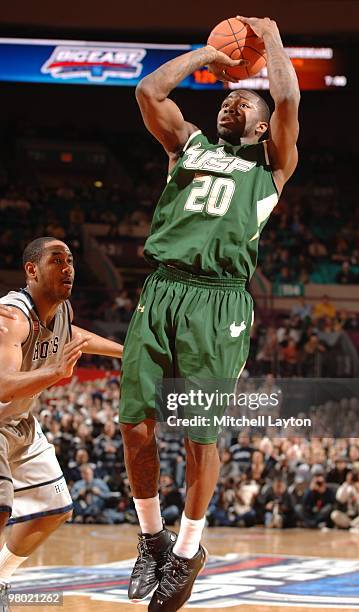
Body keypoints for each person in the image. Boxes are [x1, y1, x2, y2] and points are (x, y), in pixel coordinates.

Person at [119, 15, 300, 612]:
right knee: (135, 423)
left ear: (265, 124)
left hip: (218, 301)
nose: (233, 106)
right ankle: (152, 540)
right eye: (228, 101)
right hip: (162, 288)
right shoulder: (187, 144)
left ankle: (189, 550)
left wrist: (269, 39)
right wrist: (207, 55)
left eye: (246, 103)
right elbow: (149, 92)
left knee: (200, 435)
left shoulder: (271, 167)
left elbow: (289, 94)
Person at [0, 236, 123, 607]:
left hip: (19, 422)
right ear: (31, 270)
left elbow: (73, 337)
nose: (68, 267)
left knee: (54, 510)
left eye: (70, 260)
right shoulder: (12, 317)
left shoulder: (60, 311)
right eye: (57, 260)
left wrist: (126, 352)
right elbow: (3, 384)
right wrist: (55, 371)